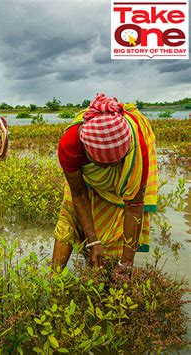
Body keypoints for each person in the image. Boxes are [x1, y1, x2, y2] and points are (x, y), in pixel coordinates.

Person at [52, 93, 158, 269]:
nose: (110, 169)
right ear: (87, 152)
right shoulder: (70, 145)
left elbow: (134, 207)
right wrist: (93, 242)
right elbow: (78, 194)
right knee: (69, 215)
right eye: (103, 164)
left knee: (116, 219)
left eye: (117, 163)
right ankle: (53, 282)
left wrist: (126, 266)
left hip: (126, 183)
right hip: (85, 180)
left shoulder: (137, 150)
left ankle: (111, 271)